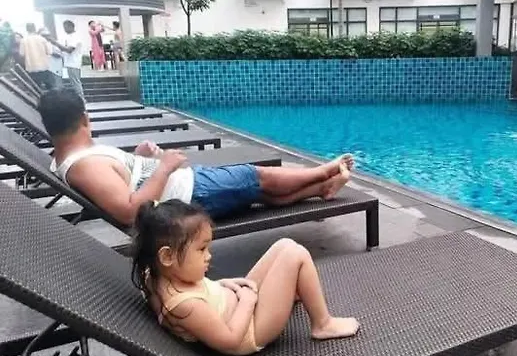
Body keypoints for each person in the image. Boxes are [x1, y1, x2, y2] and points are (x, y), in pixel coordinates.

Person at [38, 88, 355, 226]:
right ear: (85, 119)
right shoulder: (86, 166)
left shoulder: (75, 156)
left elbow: (120, 183)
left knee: (259, 193)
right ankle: (322, 171)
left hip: (185, 188)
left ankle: (321, 189)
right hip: (188, 195)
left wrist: (137, 157)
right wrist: (164, 168)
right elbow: (129, 212)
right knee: (257, 176)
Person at [131, 200, 359, 355]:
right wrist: (248, 301)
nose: (209, 255)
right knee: (295, 254)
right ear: (167, 256)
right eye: (201, 249)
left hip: (237, 304)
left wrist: (221, 285)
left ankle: (289, 290)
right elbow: (230, 341)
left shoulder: (156, 275)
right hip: (251, 330)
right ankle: (323, 324)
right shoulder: (186, 306)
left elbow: (199, 293)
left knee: (285, 244)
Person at [45, 21, 84, 98]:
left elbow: (69, 50)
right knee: (74, 82)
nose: (65, 29)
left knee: (75, 82)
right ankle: (80, 98)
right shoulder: (69, 37)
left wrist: (55, 42)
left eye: (66, 27)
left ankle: (81, 98)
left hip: (74, 63)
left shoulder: (75, 37)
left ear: (71, 27)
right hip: (69, 63)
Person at [19, 23, 54, 89]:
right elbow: (49, 52)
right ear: (35, 29)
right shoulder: (42, 39)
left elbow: (21, 54)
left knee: (36, 87)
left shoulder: (23, 40)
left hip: (31, 67)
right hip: (44, 66)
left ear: (26, 29)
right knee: (49, 86)